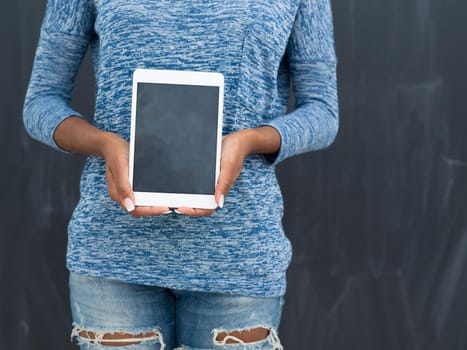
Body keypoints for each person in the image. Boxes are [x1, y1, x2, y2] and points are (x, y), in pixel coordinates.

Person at [23, 0, 338, 348]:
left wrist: (250, 140)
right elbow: (42, 100)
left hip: (236, 258)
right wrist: (104, 143)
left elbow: (322, 111)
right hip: (114, 253)